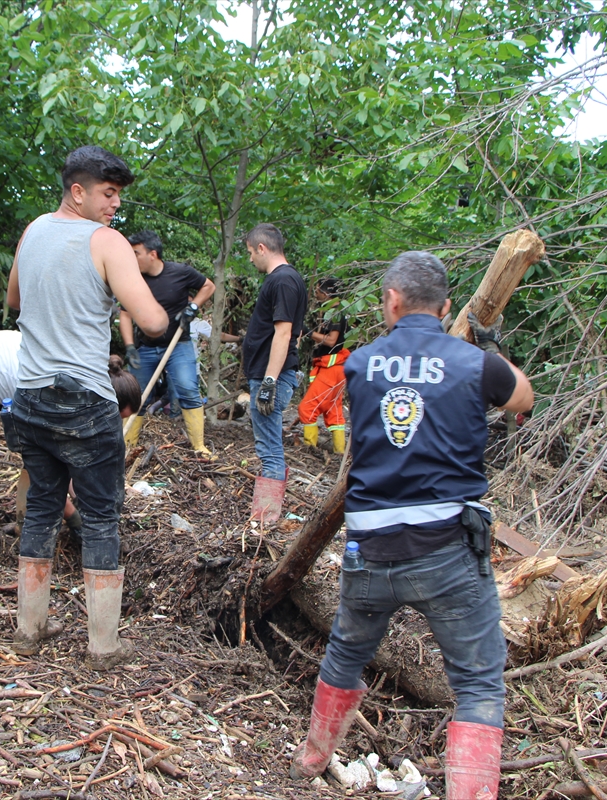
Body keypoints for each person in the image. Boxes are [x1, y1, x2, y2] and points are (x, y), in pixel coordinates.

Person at [289, 252, 534, 800]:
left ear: (391, 302)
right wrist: (490, 343)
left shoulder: (359, 364)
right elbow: (524, 397)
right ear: (447, 308)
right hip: (448, 549)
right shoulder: (475, 364)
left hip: (370, 548)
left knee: (346, 655)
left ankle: (312, 758)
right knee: (475, 685)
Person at [5, 145, 167, 670]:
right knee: (100, 517)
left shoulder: (31, 232)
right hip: (83, 399)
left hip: (29, 397)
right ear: (78, 191)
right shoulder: (107, 242)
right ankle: (102, 646)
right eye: (108, 193)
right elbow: (153, 323)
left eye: (118, 195)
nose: (115, 205)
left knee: (44, 507)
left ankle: (30, 630)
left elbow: (14, 300)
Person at [0, 331, 131, 576]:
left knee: (37, 451)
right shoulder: (64, 388)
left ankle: (24, 526)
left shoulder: (81, 377)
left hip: (7, 378)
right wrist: (76, 518)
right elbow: (56, 464)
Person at [120, 230, 216, 457]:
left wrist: (192, 308)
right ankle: (127, 445)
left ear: (152, 254)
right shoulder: (134, 280)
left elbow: (208, 286)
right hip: (144, 347)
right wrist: (129, 346)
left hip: (178, 345)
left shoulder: (180, 273)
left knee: (187, 388)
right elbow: (125, 314)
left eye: (136, 253)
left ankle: (199, 446)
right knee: (136, 395)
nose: (132, 259)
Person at [241, 223, 307, 524]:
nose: (251, 259)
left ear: (262, 248)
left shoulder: (282, 280)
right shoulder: (288, 280)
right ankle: (268, 512)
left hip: (273, 377)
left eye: (251, 253)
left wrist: (269, 380)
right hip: (271, 374)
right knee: (269, 444)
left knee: (268, 448)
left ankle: (266, 517)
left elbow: (285, 333)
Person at [297, 278, 349, 453]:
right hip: (337, 368)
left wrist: (308, 333)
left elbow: (332, 340)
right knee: (333, 410)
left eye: (318, 291)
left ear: (326, 293)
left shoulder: (336, 312)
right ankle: (339, 453)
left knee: (307, 407)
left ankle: (310, 449)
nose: (315, 294)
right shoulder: (335, 311)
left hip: (331, 368)